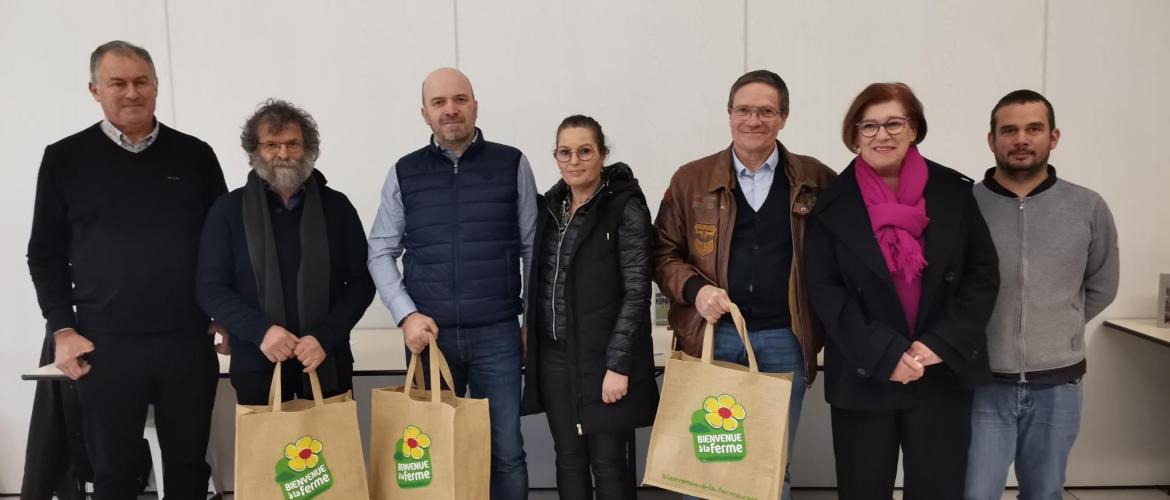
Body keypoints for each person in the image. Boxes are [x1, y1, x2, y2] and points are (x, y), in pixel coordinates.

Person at [26, 40, 227, 499]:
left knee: (189, 469)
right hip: (105, 345)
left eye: (141, 82)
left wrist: (223, 314)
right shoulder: (64, 159)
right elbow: (45, 254)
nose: (131, 93)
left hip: (188, 341)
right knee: (114, 473)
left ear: (156, 87)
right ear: (96, 90)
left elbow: (223, 247)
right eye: (118, 83)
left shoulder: (196, 156)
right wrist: (62, 329)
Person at [804, 82, 998, 500]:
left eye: (894, 123)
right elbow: (825, 291)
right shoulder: (830, 203)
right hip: (866, 372)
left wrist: (940, 344)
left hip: (939, 371)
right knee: (863, 490)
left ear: (914, 130)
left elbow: (982, 274)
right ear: (854, 137)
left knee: (938, 489)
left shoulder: (954, 192)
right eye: (869, 126)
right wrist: (885, 354)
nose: (882, 135)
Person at [654, 69, 836, 499]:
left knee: (770, 464)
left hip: (785, 340)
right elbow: (662, 255)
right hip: (712, 340)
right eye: (745, 110)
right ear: (729, 114)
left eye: (766, 111)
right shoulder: (690, 180)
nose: (754, 120)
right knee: (707, 465)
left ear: (784, 117)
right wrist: (697, 291)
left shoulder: (817, 180)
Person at [367, 67, 535, 499]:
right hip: (429, 337)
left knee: (506, 451)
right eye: (439, 103)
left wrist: (530, 321)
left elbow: (533, 249)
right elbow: (380, 251)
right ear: (424, 113)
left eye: (459, 99)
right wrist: (406, 315)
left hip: (497, 334)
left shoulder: (512, 163)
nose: (450, 110)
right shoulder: (404, 173)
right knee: (431, 449)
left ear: (475, 105)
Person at [965, 90, 1119, 500]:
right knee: (975, 493)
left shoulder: (1087, 206)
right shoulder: (965, 205)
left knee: (1045, 492)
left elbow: (1102, 283)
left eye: (1033, 129)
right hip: (982, 383)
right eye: (1009, 130)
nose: (1021, 139)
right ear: (991, 139)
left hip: (1058, 382)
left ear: (1053, 137)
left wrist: (1059, 326)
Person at [196, 99, 375, 404]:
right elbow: (210, 287)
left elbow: (361, 282)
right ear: (255, 152)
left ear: (308, 148)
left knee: (332, 452)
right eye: (271, 145)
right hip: (256, 362)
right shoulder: (228, 211)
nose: (283, 154)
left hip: (325, 360)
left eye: (293, 144)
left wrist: (325, 336)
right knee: (265, 453)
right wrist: (261, 332)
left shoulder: (338, 208)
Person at [520, 115, 659, 499]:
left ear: (602, 156)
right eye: (565, 152)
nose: (574, 160)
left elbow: (636, 292)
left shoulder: (624, 208)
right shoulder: (550, 207)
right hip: (554, 358)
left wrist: (618, 365)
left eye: (585, 151)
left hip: (603, 359)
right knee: (568, 458)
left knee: (609, 463)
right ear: (556, 157)